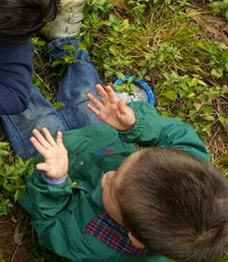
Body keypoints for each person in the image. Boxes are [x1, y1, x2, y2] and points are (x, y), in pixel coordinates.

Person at [21, 86, 228, 262]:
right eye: (122, 167)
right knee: (84, 94)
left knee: (29, 108)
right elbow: (175, 135)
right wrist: (135, 124)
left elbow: (52, 224)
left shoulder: (93, 242)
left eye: (111, 188)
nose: (107, 176)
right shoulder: (190, 167)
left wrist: (54, 182)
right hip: (102, 136)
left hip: (48, 157)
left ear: (134, 238)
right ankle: (68, 46)